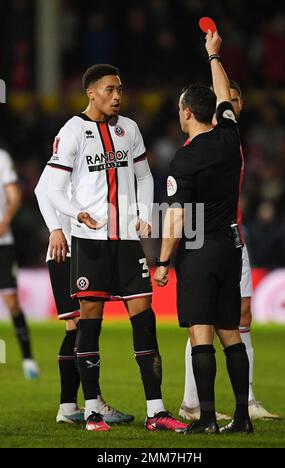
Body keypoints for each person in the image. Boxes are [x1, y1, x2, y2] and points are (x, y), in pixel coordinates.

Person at [46, 63, 187, 433]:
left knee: (145, 319)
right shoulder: (72, 131)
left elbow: (143, 175)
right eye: (109, 89)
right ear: (90, 92)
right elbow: (49, 190)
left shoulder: (130, 129)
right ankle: (92, 409)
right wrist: (76, 214)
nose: (117, 96)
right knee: (89, 325)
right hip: (90, 243)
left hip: (127, 242)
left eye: (120, 89)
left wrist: (142, 213)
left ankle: (156, 411)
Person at [154, 30, 253, 434]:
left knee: (201, 333)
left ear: (187, 113)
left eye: (180, 109)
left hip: (199, 248)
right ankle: (242, 417)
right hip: (232, 246)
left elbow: (176, 217)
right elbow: (224, 97)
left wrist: (162, 261)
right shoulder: (231, 138)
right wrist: (214, 56)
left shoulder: (185, 158)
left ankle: (207, 418)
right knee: (231, 332)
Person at [179, 80, 280, 421]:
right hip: (212, 241)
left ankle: (243, 403)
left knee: (239, 315)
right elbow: (186, 207)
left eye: (236, 100)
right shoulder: (215, 142)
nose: (231, 104)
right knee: (204, 321)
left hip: (233, 238)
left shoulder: (225, 141)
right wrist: (190, 247)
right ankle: (195, 403)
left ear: (243, 103)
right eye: (227, 99)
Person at [35, 166, 135, 425]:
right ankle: (92, 402)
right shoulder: (70, 145)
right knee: (81, 325)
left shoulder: (86, 156)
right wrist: (55, 229)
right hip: (67, 249)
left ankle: (69, 406)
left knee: (76, 326)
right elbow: (40, 190)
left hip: (84, 248)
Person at [0, 147, 39, 379]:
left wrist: (5, 220)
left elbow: (14, 195)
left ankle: (28, 359)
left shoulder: (2, 157)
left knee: (12, 301)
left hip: (2, 242)